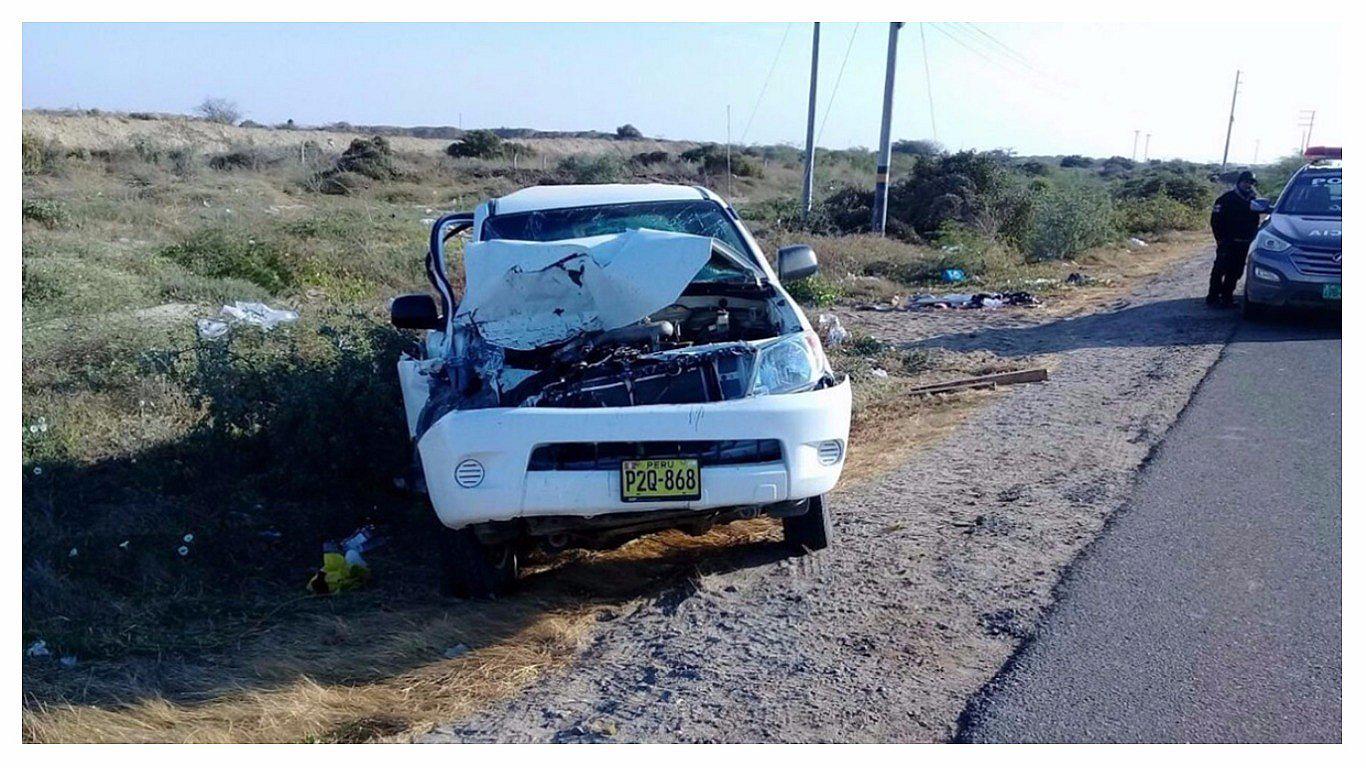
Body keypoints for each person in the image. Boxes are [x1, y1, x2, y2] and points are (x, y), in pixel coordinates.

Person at [1208, 171, 1263, 307]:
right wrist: (1220, 239)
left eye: (1251, 183)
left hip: (1244, 242)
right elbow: (1215, 221)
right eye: (1246, 182)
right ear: (1239, 182)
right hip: (1228, 241)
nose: (1248, 185)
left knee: (1236, 271)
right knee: (1220, 269)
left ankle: (1227, 298)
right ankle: (1213, 297)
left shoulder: (1253, 200)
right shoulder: (1226, 199)